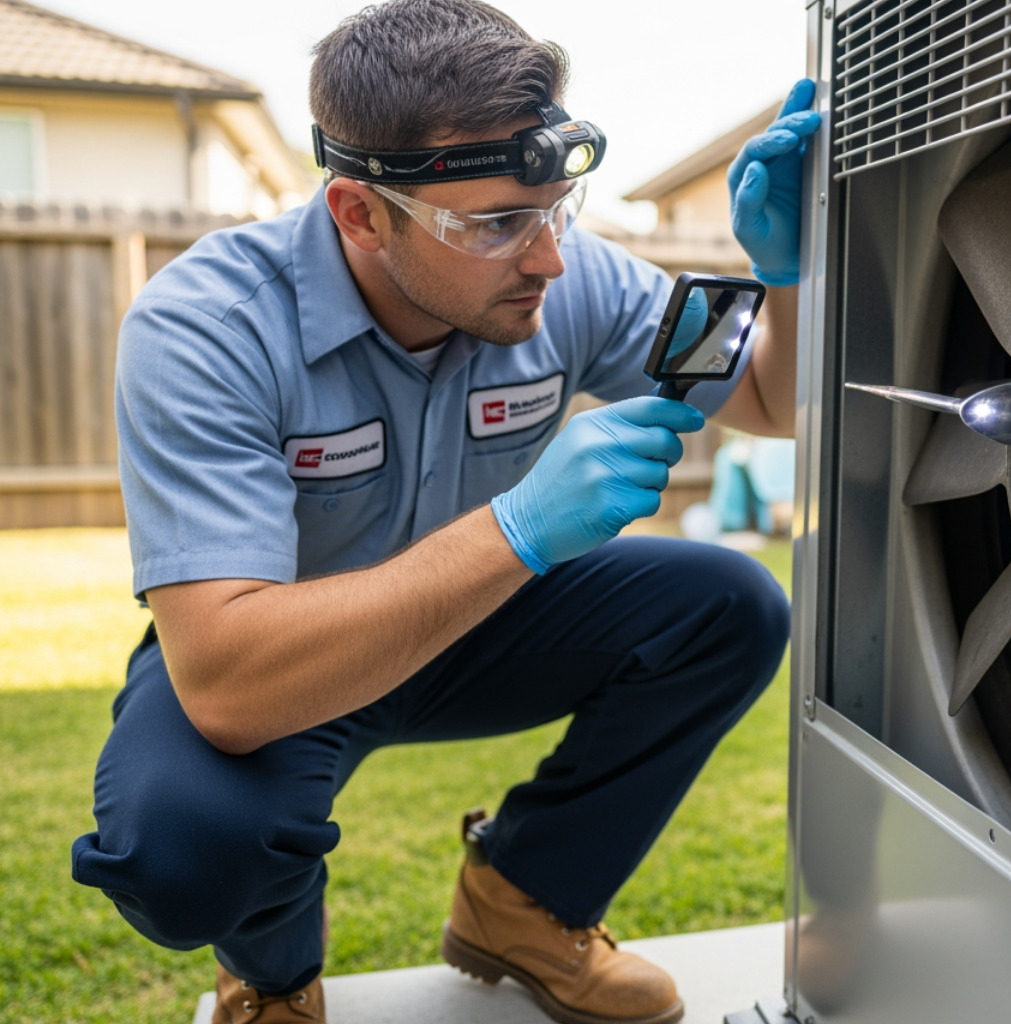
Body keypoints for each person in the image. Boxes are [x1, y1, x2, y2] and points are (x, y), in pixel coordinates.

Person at [68, 2, 821, 1022]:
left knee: (731, 602)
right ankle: (276, 977)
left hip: (478, 627)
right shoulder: (207, 326)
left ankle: (526, 901)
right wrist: (516, 526)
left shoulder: (566, 273)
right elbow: (228, 687)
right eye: (496, 224)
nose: (548, 257)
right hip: (281, 649)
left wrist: (785, 279)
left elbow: (767, 400)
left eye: (557, 209)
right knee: (183, 848)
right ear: (359, 214)